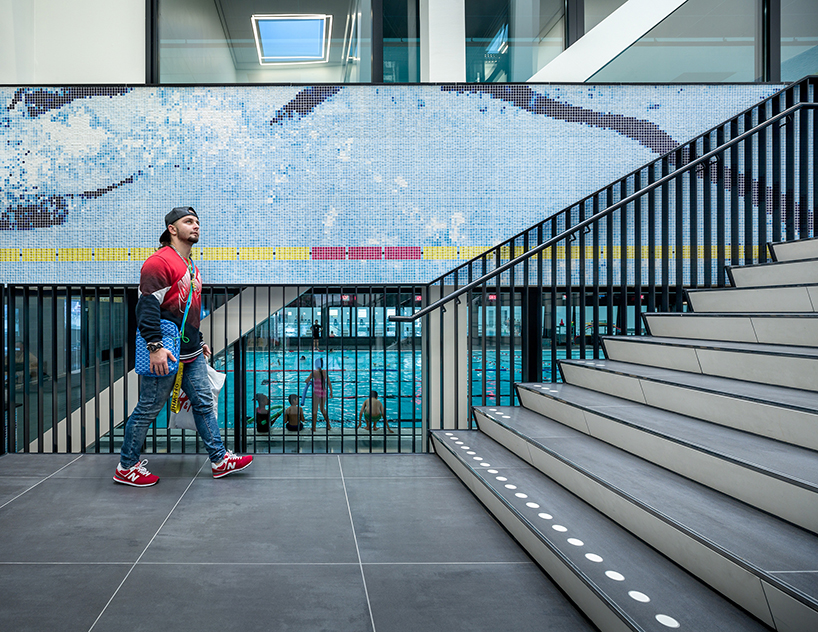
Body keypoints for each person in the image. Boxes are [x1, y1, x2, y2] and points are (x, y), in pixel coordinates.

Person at [113, 206, 253, 487]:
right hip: (164, 350)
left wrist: (199, 342)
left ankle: (219, 459)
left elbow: (188, 311)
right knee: (149, 408)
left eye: (198, 222)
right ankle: (126, 467)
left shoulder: (190, 265)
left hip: (190, 351)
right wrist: (154, 347)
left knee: (203, 403)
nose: (196, 226)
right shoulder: (158, 262)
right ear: (172, 229)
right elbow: (147, 307)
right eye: (189, 222)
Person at [302, 357, 332, 431]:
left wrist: (310, 380)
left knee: (314, 410)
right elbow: (329, 382)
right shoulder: (325, 372)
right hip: (324, 393)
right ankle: (328, 425)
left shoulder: (314, 373)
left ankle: (314, 428)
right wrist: (331, 392)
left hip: (316, 393)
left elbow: (306, 381)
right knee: (322, 409)